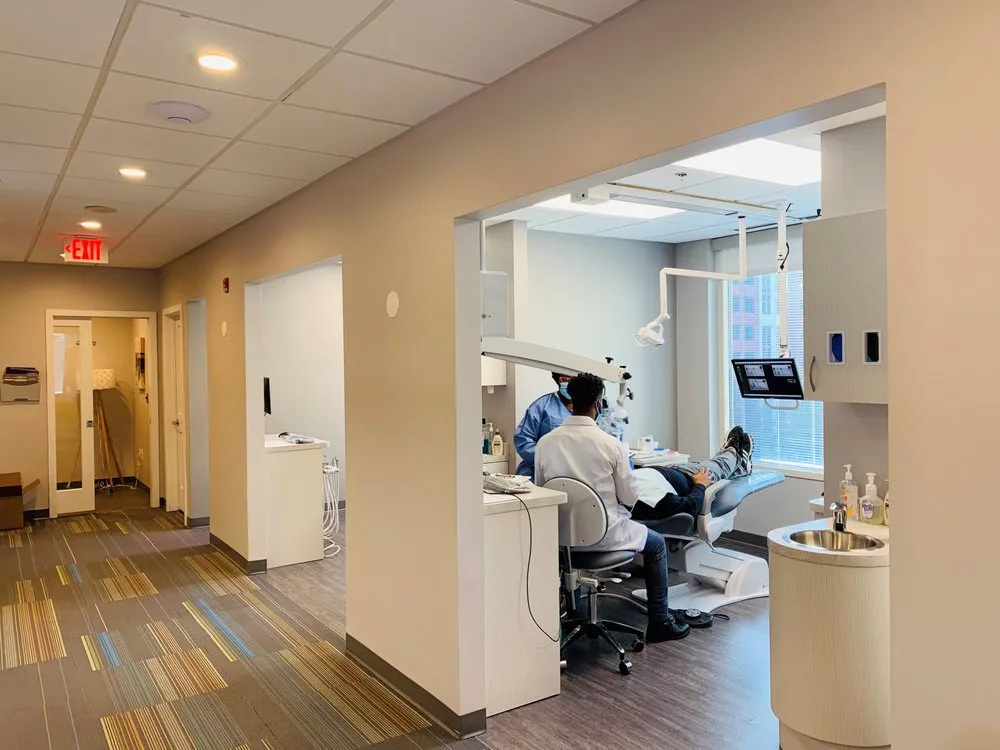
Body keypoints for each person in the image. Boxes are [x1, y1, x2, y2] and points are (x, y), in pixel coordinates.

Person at [534, 372, 689, 643]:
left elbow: (542, 490)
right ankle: (660, 622)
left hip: (562, 540)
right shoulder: (611, 444)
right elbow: (630, 496)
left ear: (570, 400)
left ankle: (572, 612)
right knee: (656, 545)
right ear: (599, 403)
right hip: (606, 536)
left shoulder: (545, 443)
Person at [631, 427, 755, 523]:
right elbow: (689, 507)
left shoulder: (624, 488)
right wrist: (701, 484)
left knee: (709, 464)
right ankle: (735, 451)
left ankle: (741, 468)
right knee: (719, 465)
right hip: (691, 477)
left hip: (671, 470)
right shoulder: (650, 500)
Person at [513, 372, 572, 480]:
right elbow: (523, 441)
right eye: (566, 380)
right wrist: (550, 459)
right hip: (537, 472)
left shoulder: (588, 408)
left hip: (572, 474)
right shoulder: (542, 406)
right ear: (558, 380)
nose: (569, 383)